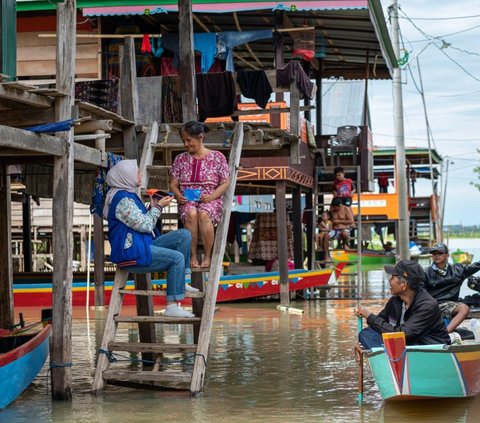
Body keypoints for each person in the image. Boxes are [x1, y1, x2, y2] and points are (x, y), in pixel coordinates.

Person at [104, 159, 195, 318]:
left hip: (143, 244)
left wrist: (153, 207)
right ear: (126, 177)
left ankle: (181, 282)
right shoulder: (123, 200)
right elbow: (146, 225)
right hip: (132, 253)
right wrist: (158, 207)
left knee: (184, 235)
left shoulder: (130, 195)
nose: (139, 175)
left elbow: (140, 222)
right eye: (136, 173)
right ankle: (171, 306)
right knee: (177, 258)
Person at [170, 121, 230, 269]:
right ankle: (193, 255)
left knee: (203, 214)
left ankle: (208, 256)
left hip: (210, 199)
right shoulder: (180, 159)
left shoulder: (217, 157)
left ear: (200, 137)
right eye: (183, 141)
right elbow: (173, 184)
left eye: (189, 140)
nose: (185, 144)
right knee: (191, 213)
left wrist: (212, 196)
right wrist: (178, 196)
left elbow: (225, 183)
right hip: (187, 200)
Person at [355, 260, 450, 350]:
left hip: (427, 347)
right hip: (405, 345)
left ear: (403, 285)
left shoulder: (428, 306)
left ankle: (389, 362)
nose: (389, 280)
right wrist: (361, 346)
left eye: (392, 277)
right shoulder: (395, 301)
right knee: (366, 334)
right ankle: (385, 361)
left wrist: (369, 316)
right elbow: (378, 325)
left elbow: (402, 335)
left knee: (396, 338)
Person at [423, 242, 480, 333]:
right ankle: (445, 334)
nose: (437, 256)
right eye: (434, 254)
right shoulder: (426, 272)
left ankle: (446, 332)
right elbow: (421, 293)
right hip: (433, 304)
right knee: (463, 308)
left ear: (447, 255)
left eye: (440, 253)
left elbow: (474, 267)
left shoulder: (458, 269)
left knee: (464, 307)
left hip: (451, 304)